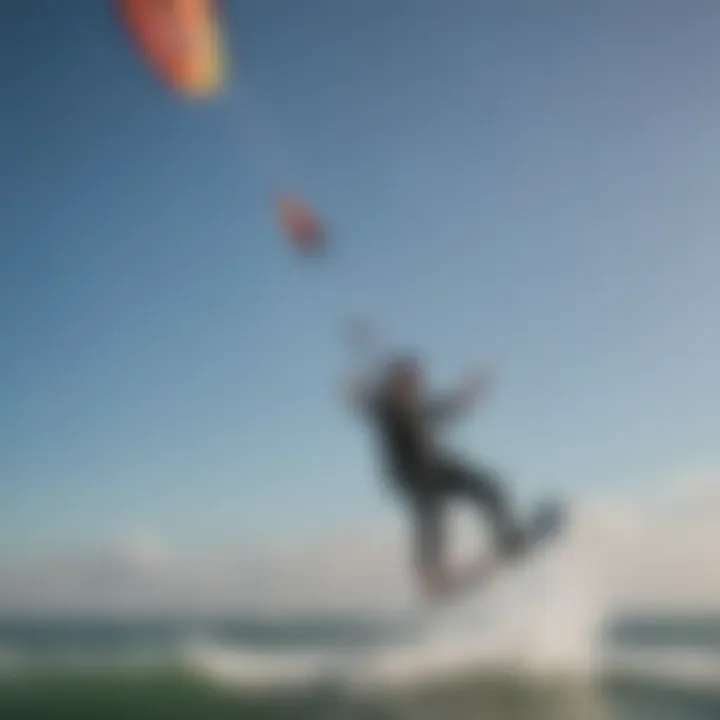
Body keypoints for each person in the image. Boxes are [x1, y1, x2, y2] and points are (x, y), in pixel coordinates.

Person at [344, 353, 526, 603]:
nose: (413, 390)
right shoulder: (385, 409)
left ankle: (508, 537)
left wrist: (472, 390)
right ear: (392, 386)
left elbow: (456, 406)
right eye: (406, 385)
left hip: (438, 468)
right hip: (410, 477)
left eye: (416, 385)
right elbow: (358, 398)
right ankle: (432, 577)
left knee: (489, 486)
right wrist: (357, 387)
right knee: (432, 514)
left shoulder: (422, 407)